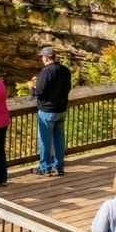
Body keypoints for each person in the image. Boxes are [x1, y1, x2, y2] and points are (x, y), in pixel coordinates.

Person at [32, 47, 71, 176]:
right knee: (59, 139)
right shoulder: (65, 70)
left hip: (47, 111)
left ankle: (45, 167)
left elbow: (39, 91)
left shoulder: (46, 72)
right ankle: (59, 166)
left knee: (45, 140)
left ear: (47, 58)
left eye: (42, 57)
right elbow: (68, 88)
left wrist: (33, 87)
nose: (42, 59)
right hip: (61, 109)